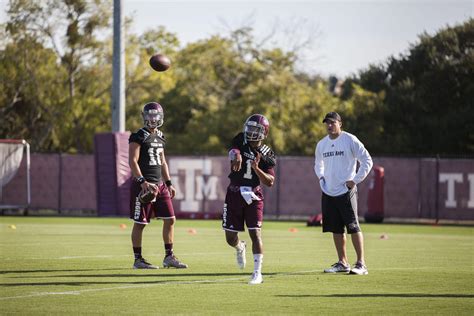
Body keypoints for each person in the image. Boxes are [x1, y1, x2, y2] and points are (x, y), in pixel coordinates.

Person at [129, 101, 188, 269]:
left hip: (160, 185)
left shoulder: (161, 136)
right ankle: (138, 259)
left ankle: (169, 257)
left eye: (155, 115)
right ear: (144, 117)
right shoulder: (138, 135)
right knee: (140, 223)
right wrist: (142, 181)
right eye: (149, 115)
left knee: (170, 219)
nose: (152, 118)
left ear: (161, 117)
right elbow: (132, 161)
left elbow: (162, 162)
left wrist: (169, 182)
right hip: (144, 184)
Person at [314, 112, 373, 275]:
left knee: (353, 226)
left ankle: (361, 264)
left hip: (346, 191)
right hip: (328, 192)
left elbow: (367, 160)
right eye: (327, 123)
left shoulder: (350, 140)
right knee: (336, 229)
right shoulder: (321, 144)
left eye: (332, 122)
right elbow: (318, 165)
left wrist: (354, 180)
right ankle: (343, 263)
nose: (329, 125)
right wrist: (321, 179)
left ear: (340, 123)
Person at [223, 114, 276, 285]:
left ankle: (257, 273)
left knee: (255, 233)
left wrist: (257, 169)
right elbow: (233, 148)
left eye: (256, 129)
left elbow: (270, 181)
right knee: (230, 238)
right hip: (234, 192)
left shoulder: (267, 153)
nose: (251, 131)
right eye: (250, 127)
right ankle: (240, 246)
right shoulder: (240, 139)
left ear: (264, 132)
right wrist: (236, 154)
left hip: (254, 194)